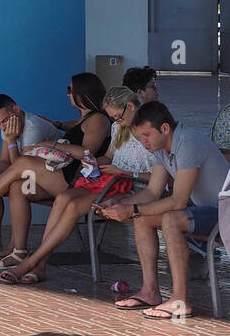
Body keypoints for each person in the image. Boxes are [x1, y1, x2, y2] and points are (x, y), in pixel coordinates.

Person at [0, 73, 111, 271]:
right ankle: (18, 250)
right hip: (57, 175)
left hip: (74, 180)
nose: (67, 94)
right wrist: (57, 125)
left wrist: (50, 144)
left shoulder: (98, 120)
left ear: (82, 93)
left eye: (70, 90)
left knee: (23, 163)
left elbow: (87, 154)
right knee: (16, 187)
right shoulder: (87, 118)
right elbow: (70, 126)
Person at [0, 86, 155, 284]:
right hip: (112, 182)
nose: (116, 121)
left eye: (117, 116)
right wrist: (93, 164)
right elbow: (108, 157)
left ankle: (32, 262)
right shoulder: (119, 127)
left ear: (130, 106)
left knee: (72, 206)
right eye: (113, 117)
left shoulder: (150, 131)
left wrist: (126, 172)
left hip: (134, 187)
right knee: (63, 198)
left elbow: (162, 176)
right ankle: (40, 265)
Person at [95, 101, 229, 320]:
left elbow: (178, 201)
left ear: (165, 128)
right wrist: (123, 205)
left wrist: (132, 209)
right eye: (140, 136)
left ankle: (180, 300)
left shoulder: (188, 142)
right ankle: (150, 292)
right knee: (142, 219)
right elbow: (152, 192)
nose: (143, 141)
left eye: (147, 135)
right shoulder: (161, 148)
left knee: (171, 219)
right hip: (207, 209)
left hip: (225, 213)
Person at [0, 93, 61, 261]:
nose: (2, 127)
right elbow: (3, 161)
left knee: (16, 187)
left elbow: (21, 169)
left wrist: (11, 141)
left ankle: (15, 247)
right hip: (31, 177)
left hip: (52, 179)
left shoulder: (32, 129)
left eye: (5, 120)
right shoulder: (8, 128)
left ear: (16, 109)